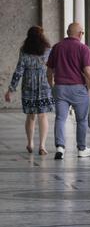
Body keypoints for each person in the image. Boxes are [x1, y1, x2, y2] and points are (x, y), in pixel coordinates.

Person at [47, 23, 90, 160]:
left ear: (68, 32)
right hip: (78, 88)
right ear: (80, 34)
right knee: (81, 120)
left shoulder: (57, 47)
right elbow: (88, 72)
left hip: (60, 88)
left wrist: (52, 86)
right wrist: (88, 88)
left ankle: (60, 148)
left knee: (60, 118)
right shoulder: (83, 48)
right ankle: (81, 148)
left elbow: (49, 71)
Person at [5, 26, 55, 155]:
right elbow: (52, 68)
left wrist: (11, 89)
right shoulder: (47, 50)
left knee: (31, 116)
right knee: (43, 115)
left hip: (28, 85)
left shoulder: (24, 50)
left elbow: (19, 71)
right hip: (44, 85)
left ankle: (30, 142)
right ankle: (42, 146)